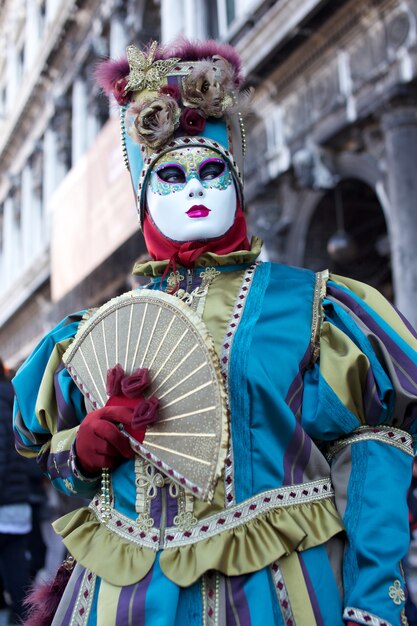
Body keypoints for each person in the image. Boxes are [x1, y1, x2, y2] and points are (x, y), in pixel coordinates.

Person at [12, 38, 417, 626]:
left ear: (237, 184)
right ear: (145, 200)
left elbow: (374, 456)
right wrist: (82, 447)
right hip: (128, 599)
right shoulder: (93, 334)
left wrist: (374, 598)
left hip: (281, 592)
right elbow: (48, 457)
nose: (196, 189)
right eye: (172, 177)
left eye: (211, 171)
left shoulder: (314, 307)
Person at [0, 358, 32, 625]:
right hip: (17, 499)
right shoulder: (14, 397)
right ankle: (23, 616)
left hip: (3, 499)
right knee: (16, 563)